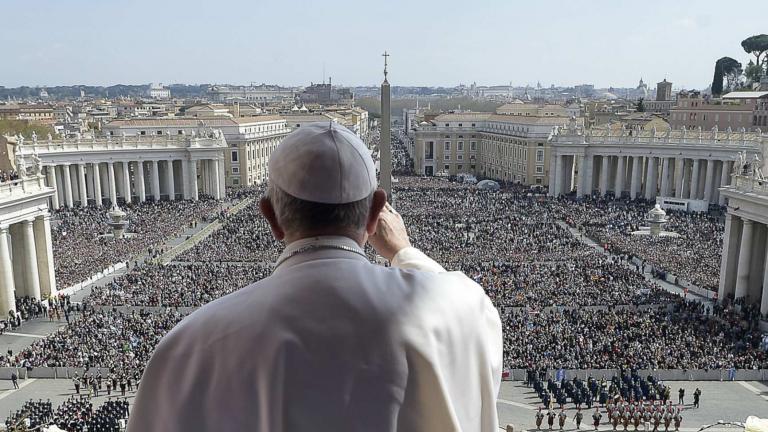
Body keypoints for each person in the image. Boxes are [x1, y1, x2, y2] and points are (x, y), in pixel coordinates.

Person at [127, 122, 503, 432]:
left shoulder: (188, 347)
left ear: (270, 216)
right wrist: (403, 252)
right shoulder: (461, 310)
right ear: (375, 214)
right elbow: (464, 301)